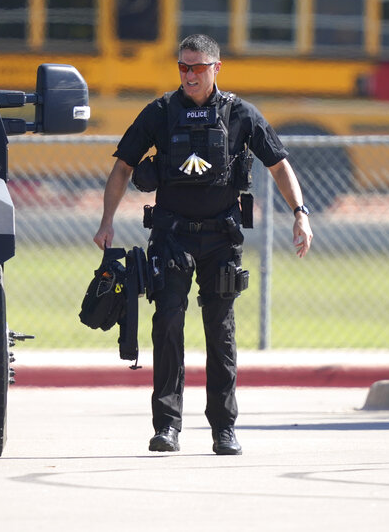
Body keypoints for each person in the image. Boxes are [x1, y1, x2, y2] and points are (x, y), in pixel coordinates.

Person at [93, 33, 313, 455]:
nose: (189, 75)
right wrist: (107, 221)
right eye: (183, 67)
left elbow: (279, 164)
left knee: (221, 332)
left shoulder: (239, 113)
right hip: (171, 236)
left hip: (221, 237)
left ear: (216, 67)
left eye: (197, 67)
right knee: (168, 326)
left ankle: (224, 430)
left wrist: (300, 214)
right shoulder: (160, 112)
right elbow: (123, 167)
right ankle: (167, 426)